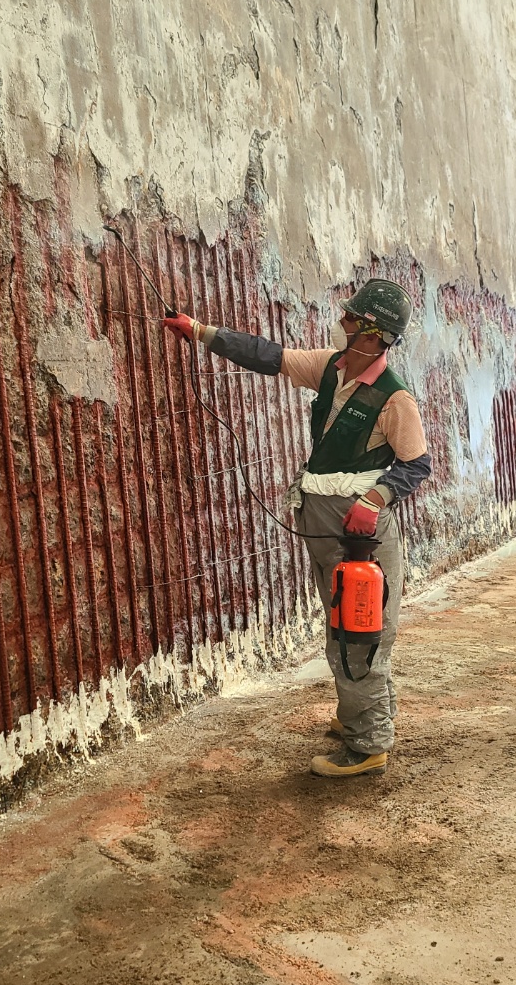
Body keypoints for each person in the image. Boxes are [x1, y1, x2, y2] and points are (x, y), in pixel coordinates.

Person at [163, 280, 432, 777]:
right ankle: (366, 714)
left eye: (352, 318)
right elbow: (270, 356)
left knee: (360, 628)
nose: (343, 322)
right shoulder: (332, 368)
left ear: (372, 335)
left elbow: (416, 466)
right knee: (344, 619)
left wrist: (373, 501)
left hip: (360, 528)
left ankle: (367, 744)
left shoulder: (395, 399)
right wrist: (199, 331)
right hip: (324, 520)